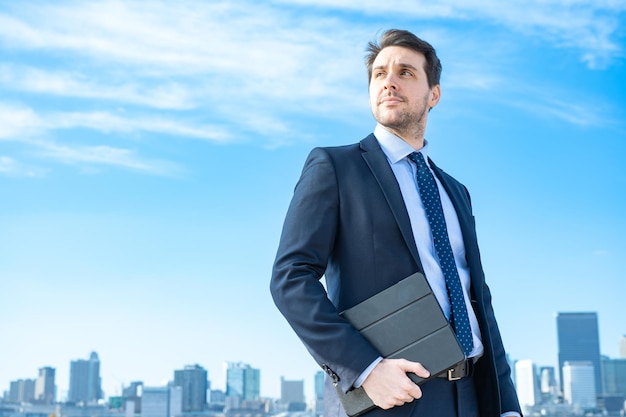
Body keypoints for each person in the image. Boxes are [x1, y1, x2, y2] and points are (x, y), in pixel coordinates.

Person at [270, 29, 522, 417]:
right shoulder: (335, 168)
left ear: (433, 94)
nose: (389, 80)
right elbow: (290, 277)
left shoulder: (456, 191)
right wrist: (364, 368)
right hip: (390, 397)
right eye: (379, 73)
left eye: (406, 72)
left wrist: (506, 406)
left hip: (474, 397)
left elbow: (480, 302)